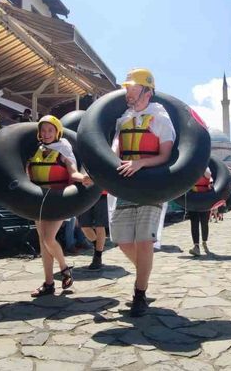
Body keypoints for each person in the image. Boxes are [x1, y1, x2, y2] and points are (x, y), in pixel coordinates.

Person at [110, 68, 175, 317]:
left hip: (151, 185)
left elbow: (166, 155)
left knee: (143, 240)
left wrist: (140, 164)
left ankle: (139, 293)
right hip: (126, 186)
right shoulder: (124, 119)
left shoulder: (160, 119)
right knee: (122, 240)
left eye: (133, 89)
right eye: (128, 88)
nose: (128, 93)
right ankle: (144, 275)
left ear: (147, 91)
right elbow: (116, 148)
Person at [26, 115, 91, 297]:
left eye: (50, 130)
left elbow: (73, 171)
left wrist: (83, 178)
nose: (46, 134)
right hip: (38, 200)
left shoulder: (63, 150)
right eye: (43, 130)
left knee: (48, 239)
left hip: (58, 200)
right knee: (43, 242)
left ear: (57, 131)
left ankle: (64, 268)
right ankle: (48, 283)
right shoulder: (37, 151)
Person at [78, 190, 109, 270]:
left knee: (100, 225)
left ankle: (98, 257)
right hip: (83, 193)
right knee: (84, 226)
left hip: (102, 192)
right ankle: (97, 246)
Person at [188, 168, 212, 256]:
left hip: (204, 200)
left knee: (204, 223)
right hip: (193, 199)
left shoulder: (206, 169)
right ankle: (196, 246)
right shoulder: (190, 172)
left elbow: (208, 175)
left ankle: (204, 242)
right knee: (194, 223)